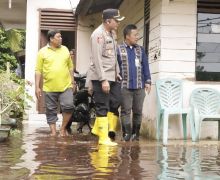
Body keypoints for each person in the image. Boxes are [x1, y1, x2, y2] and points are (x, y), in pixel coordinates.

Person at [87, 8, 124, 146]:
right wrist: (103, 79)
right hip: (101, 77)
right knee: (102, 105)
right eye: (116, 21)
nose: (118, 23)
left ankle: (98, 129)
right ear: (108, 21)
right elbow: (96, 59)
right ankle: (103, 138)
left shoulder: (112, 33)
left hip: (112, 75)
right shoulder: (98, 35)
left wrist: (117, 72)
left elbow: (113, 56)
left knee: (115, 101)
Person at [35, 29, 75, 137]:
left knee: (69, 106)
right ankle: (53, 132)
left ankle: (62, 129)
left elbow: (70, 67)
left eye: (61, 37)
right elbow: (38, 70)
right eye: (58, 37)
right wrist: (37, 86)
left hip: (66, 86)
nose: (61, 38)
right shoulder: (42, 52)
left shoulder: (65, 49)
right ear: (51, 39)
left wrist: (73, 82)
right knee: (50, 110)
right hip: (49, 87)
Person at [117, 24, 151, 141]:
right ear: (127, 36)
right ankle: (126, 134)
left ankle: (136, 134)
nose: (137, 37)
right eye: (135, 35)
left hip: (139, 86)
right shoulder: (119, 49)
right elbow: (115, 66)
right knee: (125, 111)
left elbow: (145, 66)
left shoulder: (140, 50)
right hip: (124, 86)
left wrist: (148, 81)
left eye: (138, 34)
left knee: (138, 111)